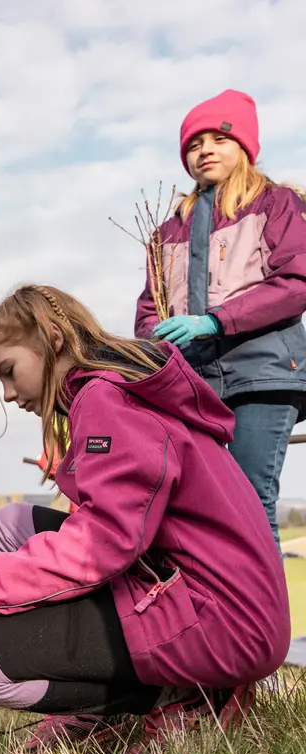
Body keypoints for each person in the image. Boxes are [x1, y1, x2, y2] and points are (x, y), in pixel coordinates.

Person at [0, 285, 289, 754]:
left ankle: (185, 696)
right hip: (217, 601)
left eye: (9, 372)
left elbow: (104, 542)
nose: (9, 395)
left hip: (225, 623)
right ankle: (156, 688)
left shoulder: (106, 399)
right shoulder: (118, 389)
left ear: (51, 338)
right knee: (14, 523)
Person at [135, 89, 306, 552]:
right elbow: (150, 306)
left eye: (219, 139)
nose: (205, 150)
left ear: (245, 148)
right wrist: (154, 345)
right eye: (194, 143)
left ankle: (267, 625)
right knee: (202, 509)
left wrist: (214, 321)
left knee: (252, 503)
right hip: (194, 385)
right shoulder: (167, 230)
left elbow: (296, 282)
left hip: (263, 375)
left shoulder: (277, 204)